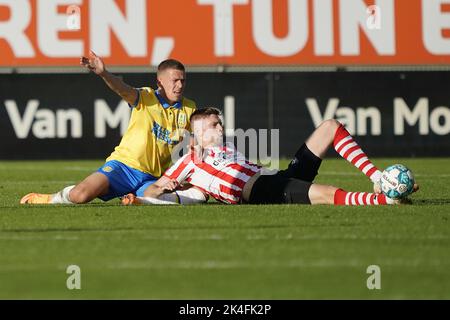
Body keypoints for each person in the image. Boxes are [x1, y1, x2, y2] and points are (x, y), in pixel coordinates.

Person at [122, 107, 418, 206]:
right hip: (259, 191)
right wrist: (162, 189)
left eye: (220, 122)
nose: (221, 127)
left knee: (330, 126)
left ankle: (379, 179)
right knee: (328, 194)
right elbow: (153, 188)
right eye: (214, 124)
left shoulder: (226, 148)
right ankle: (385, 200)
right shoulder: (188, 161)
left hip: (276, 178)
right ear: (197, 132)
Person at [20, 51, 203, 204]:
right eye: (175, 80)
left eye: (183, 81)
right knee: (80, 195)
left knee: (167, 195)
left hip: (153, 177)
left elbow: (192, 143)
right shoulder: (146, 97)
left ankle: (135, 200)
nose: (179, 85)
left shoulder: (189, 107)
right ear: (159, 82)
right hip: (123, 167)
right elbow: (122, 89)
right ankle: (49, 198)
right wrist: (103, 73)